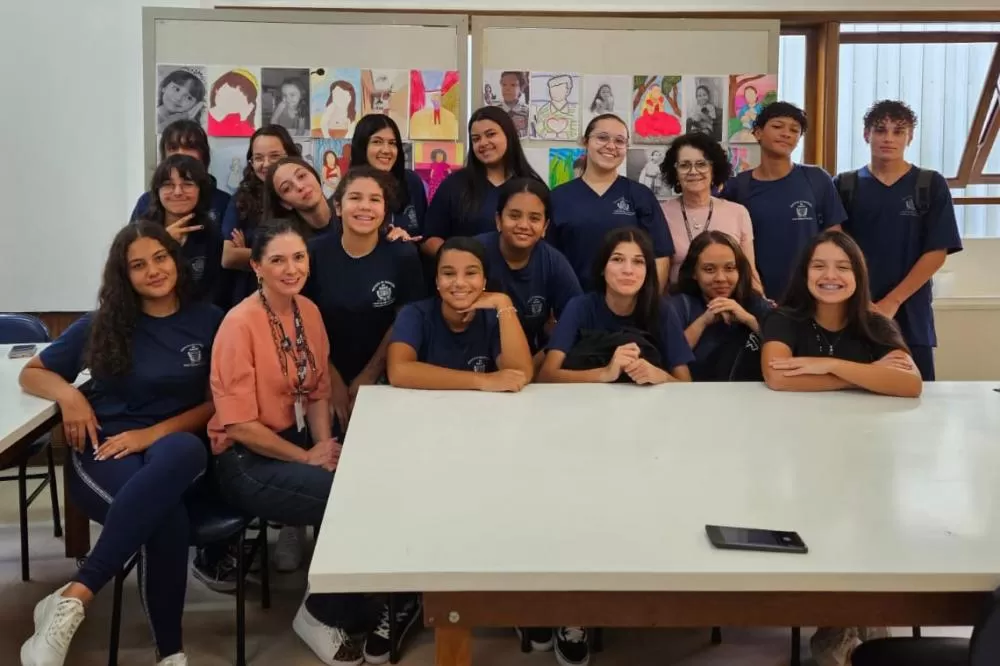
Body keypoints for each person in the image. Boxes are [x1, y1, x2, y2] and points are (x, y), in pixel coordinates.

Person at [19, 221, 223, 666]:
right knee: (166, 514)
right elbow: (31, 372)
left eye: (161, 257)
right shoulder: (102, 324)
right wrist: (70, 395)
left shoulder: (210, 320)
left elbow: (215, 404)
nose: (153, 270)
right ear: (123, 275)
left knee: (186, 452)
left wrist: (150, 434)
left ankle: (75, 593)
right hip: (105, 448)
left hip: (171, 445)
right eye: (138, 264)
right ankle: (171, 654)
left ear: (176, 259)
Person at [209, 219, 375, 666]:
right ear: (257, 267)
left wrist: (326, 450)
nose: (291, 268)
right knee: (348, 502)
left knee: (359, 482)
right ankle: (318, 614)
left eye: (298, 257)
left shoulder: (308, 312)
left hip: (296, 443)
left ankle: (355, 604)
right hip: (247, 460)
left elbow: (319, 391)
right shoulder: (238, 324)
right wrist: (306, 457)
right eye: (277, 260)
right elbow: (240, 425)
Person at [835, 100, 962, 381]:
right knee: (850, 397)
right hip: (855, 310)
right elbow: (835, 250)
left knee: (916, 393)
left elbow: (937, 251)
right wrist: (863, 302)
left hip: (911, 313)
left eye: (898, 131)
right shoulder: (845, 185)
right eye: (880, 130)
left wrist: (892, 301)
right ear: (866, 134)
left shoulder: (929, 184)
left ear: (910, 137)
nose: (888, 138)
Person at [761, 230, 922, 398]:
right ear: (804, 274)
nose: (830, 275)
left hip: (859, 421)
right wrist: (864, 377)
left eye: (843, 267)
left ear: (858, 277)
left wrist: (831, 365)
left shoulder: (876, 323)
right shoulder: (782, 319)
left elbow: (911, 383)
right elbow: (777, 377)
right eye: (818, 266)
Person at [721, 102, 846, 300]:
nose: (786, 133)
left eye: (794, 130)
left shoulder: (816, 178)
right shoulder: (738, 187)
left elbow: (835, 240)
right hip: (755, 295)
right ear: (758, 133)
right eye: (778, 126)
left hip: (809, 295)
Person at [539, 227, 693, 385]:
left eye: (638, 262)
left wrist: (661, 377)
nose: (628, 270)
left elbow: (685, 383)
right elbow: (546, 376)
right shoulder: (579, 307)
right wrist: (605, 373)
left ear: (648, 271)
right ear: (602, 268)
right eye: (617, 259)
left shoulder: (662, 310)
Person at [387, 236, 534, 392]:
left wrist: (504, 303)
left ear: (484, 281)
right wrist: (483, 380)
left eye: (470, 273)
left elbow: (519, 374)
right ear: (437, 281)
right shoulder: (415, 314)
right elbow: (398, 371)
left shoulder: (494, 317)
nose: (459, 283)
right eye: (449, 274)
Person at [549, 114, 674, 293]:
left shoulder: (640, 195)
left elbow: (660, 256)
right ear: (585, 142)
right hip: (571, 305)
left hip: (630, 306)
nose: (611, 146)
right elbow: (548, 258)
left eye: (620, 141)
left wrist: (649, 305)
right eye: (602, 138)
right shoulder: (559, 197)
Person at [474, 178, 581, 366]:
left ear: (545, 227)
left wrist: (535, 365)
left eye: (534, 218)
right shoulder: (473, 253)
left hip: (526, 366)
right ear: (498, 220)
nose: (524, 225)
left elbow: (577, 323)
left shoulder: (554, 263)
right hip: (467, 362)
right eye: (514, 216)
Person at [422, 106, 543, 257]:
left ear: (509, 135)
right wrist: (455, 259)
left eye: (491, 134)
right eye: (476, 139)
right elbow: (430, 238)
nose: (483, 143)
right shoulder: (454, 185)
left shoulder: (531, 186)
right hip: (465, 277)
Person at [659, 132, 762, 291]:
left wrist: (762, 306)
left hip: (729, 303)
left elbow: (749, 271)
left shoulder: (737, 213)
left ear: (714, 169)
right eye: (685, 165)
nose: (693, 171)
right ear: (675, 173)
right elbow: (659, 277)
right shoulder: (661, 213)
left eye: (701, 164)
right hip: (679, 307)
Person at [669, 231, 771, 381]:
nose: (721, 278)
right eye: (709, 270)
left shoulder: (754, 302)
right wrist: (702, 322)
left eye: (729, 268)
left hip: (751, 398)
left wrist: (748, 320)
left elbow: (784, 348)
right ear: (694, 272)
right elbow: (668, 356)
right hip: (699, 397)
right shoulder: (679, 305)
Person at [220, 125, 300, 304]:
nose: (266, 164)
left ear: (290, 156)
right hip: (249, 297)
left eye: (274, 156)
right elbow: (229, 258)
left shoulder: (302, 196)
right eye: (258, 158)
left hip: (297, 297)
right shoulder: (241, 201)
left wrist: (249, 253)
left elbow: (311, 255)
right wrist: (288, 257)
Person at [137, 154, 224, 307]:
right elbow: (128, 281)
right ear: (157, 191)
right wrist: (164, 242)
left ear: (200, 190)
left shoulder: (211, 233)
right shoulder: (140, 231)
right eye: (168, 185)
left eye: (187, 184)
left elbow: (213, 291)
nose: (177, 192)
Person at [130, 120, 231, 225]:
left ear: (203, 154)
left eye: (190, 147)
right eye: (173, 148)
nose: (181, 153)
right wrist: (166, 238)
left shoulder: (223, 202)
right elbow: (132, 240)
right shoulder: (147, 202)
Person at [349, 114, 428, 237]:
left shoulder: (411, 181)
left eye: (392, 143)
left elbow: (424, 236)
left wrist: (407, 242)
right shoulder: (349, 188)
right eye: (377, 142)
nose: (386, 150)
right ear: (362, 146)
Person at [156, 69, 206, 133]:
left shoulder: (191, 126)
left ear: (195, 105)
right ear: (164, 87)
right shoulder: (153, 116)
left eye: (189, 98)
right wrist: (181, 117)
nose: (178, 98)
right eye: (177, 89)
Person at [497, 71, 530, 137]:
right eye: (504, 85)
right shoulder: (495, 112)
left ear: (521, 88)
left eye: (513, 85)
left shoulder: (528, 112)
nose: (507, 88)